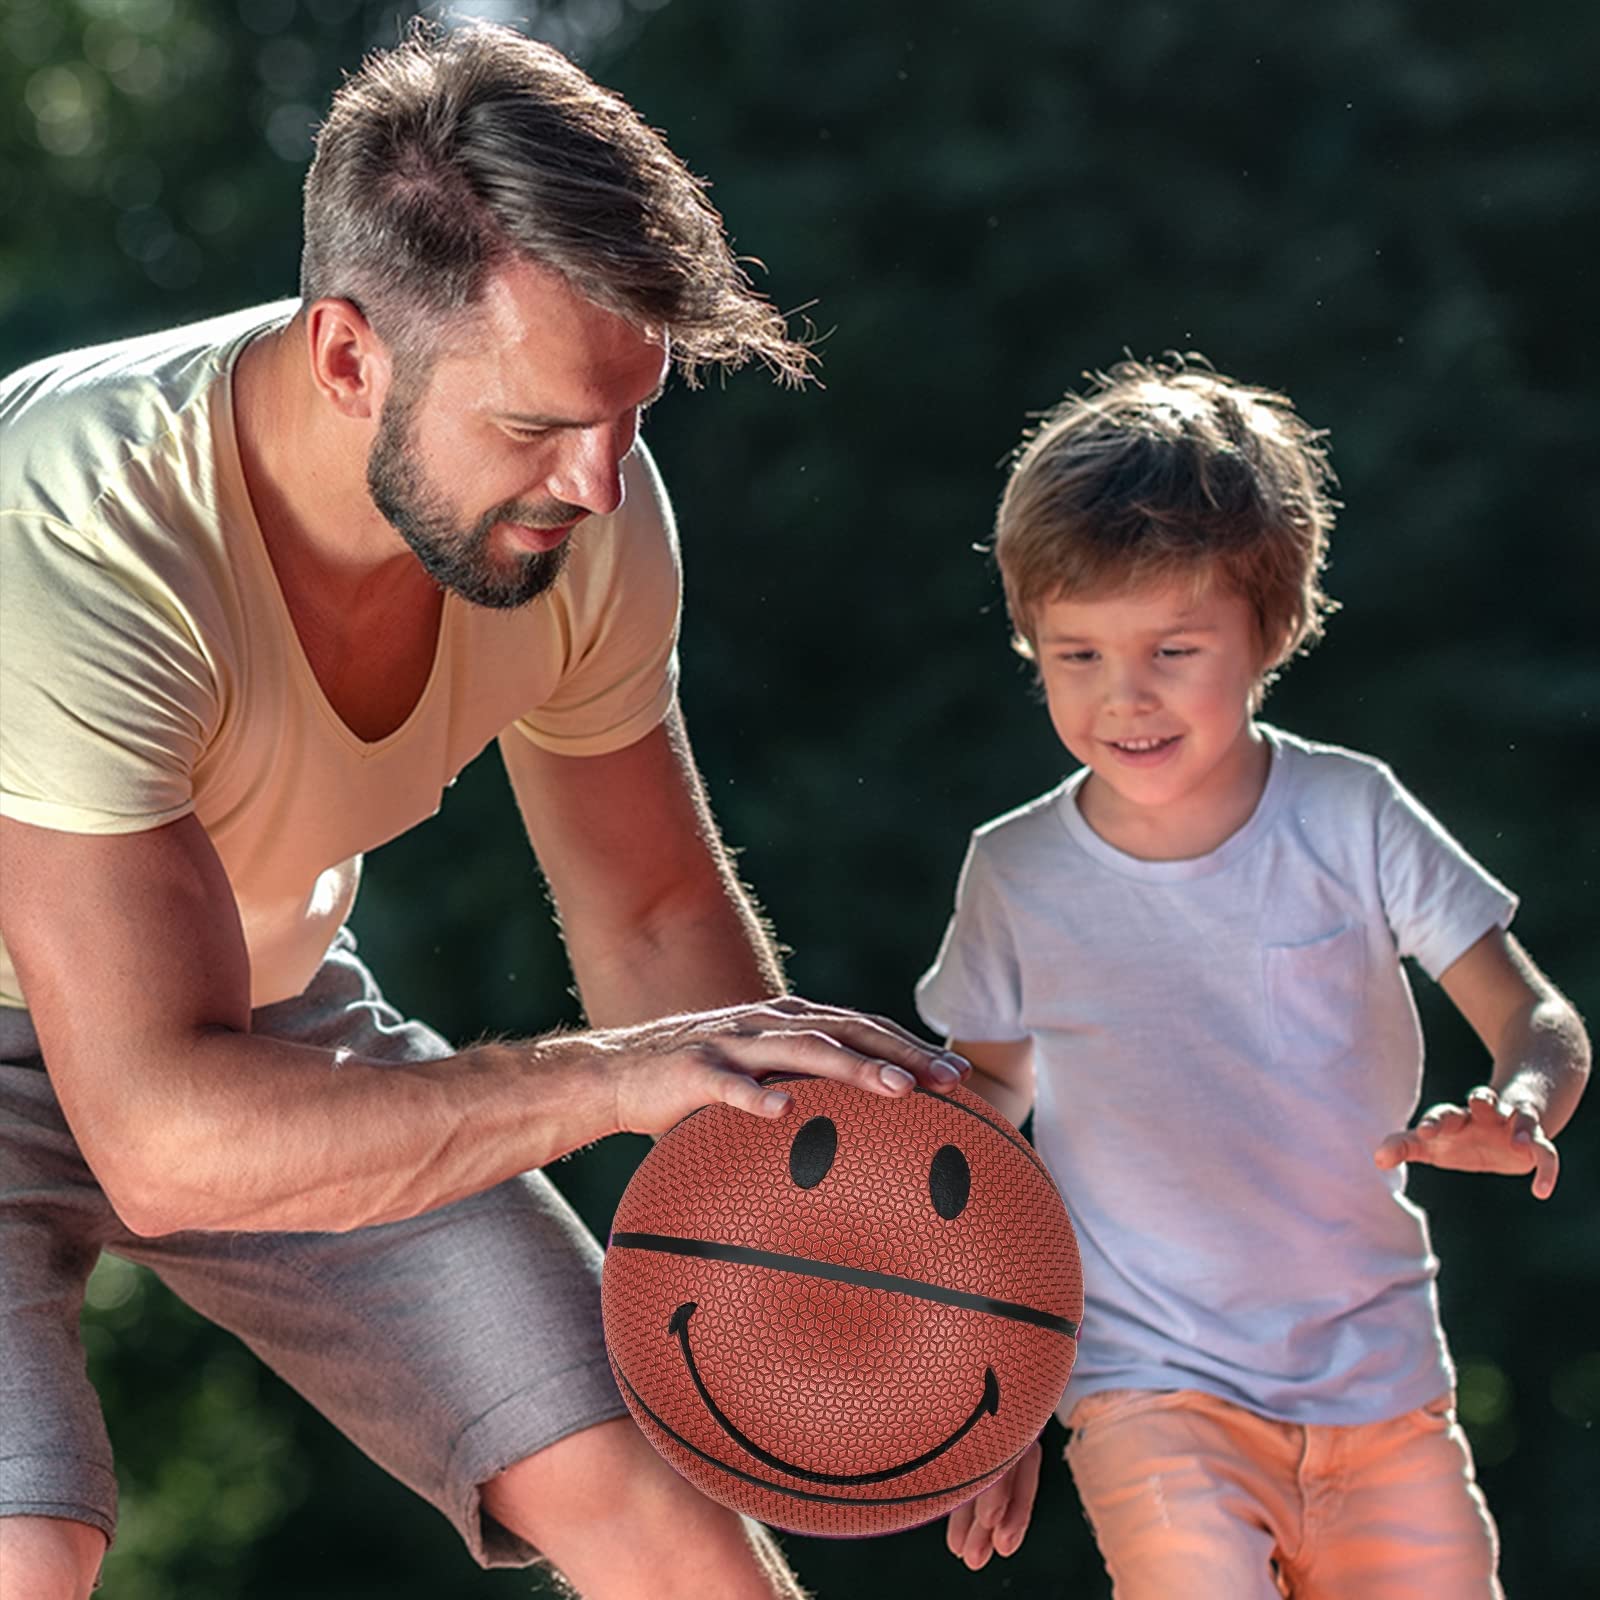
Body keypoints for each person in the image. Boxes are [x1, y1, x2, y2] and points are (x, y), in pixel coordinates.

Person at [0, 21, 970, 1600]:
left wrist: (862, 1319)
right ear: (346, 356)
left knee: (667, 1519)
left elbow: (654, 923)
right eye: (534, 428)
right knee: (25, 1547)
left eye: (629, 414)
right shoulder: (82, 523)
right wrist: (608, 1084)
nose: (594, 486)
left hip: (253, 1011)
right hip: (139, 1062)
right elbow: (163, 1143)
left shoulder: (588, 508)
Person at [914, 357, 1589, 1597]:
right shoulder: (1013, 875)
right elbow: (982, 1142)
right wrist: (991, 1393)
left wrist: (1523, 1103)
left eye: (1173, 646)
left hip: (1385, 1393)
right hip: (1148, 1390)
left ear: (1267, 627)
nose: (1125, 697)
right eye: (1075, 655)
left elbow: (1537, 1015)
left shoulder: (1352, 815)